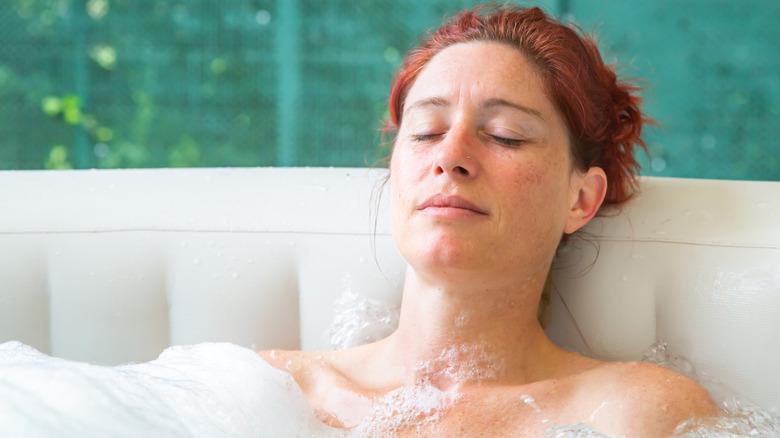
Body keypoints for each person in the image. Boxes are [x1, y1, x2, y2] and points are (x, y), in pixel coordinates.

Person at [260, 4, 721, 436]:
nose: (449, 156)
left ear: (580, 199)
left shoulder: (633, 413)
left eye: (506, 136)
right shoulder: (264, 391)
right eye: (427, 131)